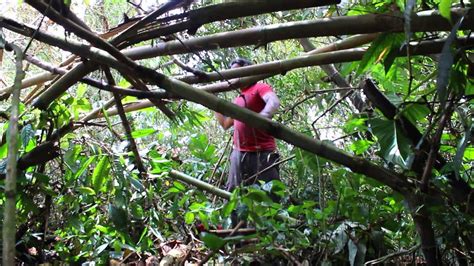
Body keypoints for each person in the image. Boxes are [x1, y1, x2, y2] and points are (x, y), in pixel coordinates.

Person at [215, 58, 281, 193]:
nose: (234, 77)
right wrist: (212, 101)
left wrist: (261, 117)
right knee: (235, 194)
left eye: (238, 72)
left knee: (270, 195)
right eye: (232, 74)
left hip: (262, 152)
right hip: (239, 153)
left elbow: (273, 102)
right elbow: (226, 124)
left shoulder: (259, 88)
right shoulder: (238, 99)